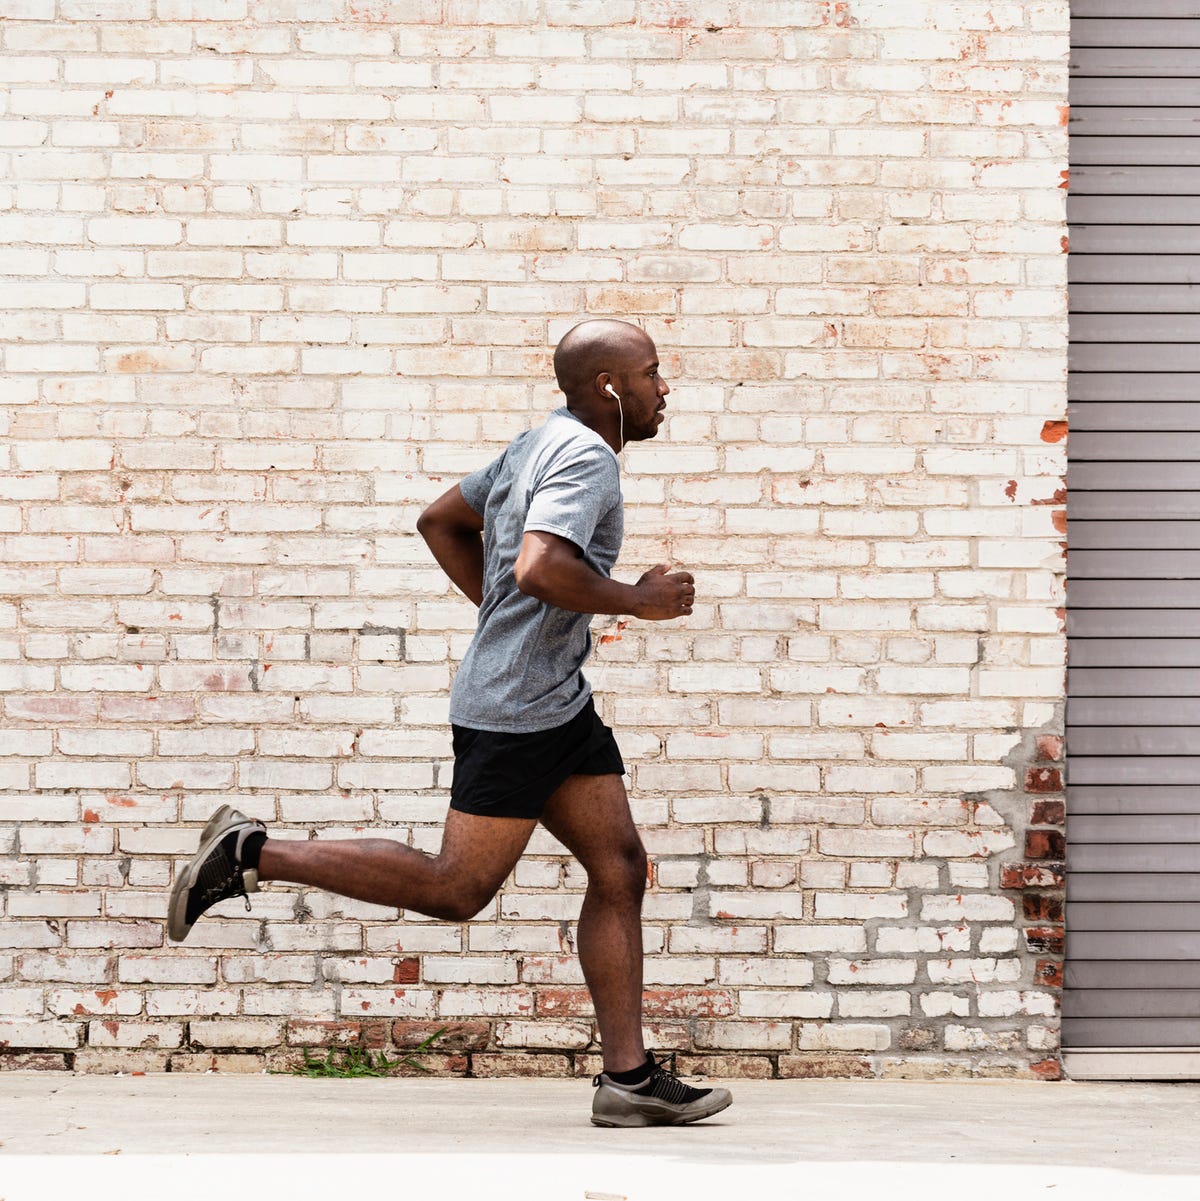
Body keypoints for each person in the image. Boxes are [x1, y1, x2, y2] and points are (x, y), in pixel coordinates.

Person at [168, 319, 732, 1128]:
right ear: (609, 386)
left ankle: (629, 1079)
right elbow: (540, 566)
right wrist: (637, 601)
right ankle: (251, 852)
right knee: (457, 888)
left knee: (619, 864)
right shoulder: (584, 458)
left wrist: (506, 627)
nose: (662, 387)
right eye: (651, 372)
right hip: (518, 713)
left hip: (552, 699)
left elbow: (442, 520)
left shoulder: (536, 442)